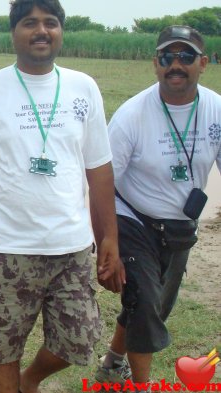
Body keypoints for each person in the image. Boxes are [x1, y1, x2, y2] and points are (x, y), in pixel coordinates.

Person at [0, 1, 125, 392]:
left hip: (71, 247)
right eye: (30, 23)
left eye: (50, 23)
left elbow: (99, 169)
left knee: (80, 338)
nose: (41, 31)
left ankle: (29, 380)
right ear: (13, 32)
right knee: (1, 347)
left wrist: (110, 237)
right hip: (7, 248)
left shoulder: (83, 87)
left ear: (61, 31)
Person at [96, 25, 220, 389]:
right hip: (133, 217)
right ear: (156, 64)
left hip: (180, 226)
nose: (176, 65)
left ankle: (112, 363)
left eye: (186, 57)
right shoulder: (132, 114)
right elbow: (101, 183)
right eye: (167, 57)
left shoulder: (215, 109)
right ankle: (141, 385)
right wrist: (107, 242)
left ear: (204, 63)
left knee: (152, 306)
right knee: (147, 304)